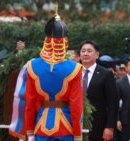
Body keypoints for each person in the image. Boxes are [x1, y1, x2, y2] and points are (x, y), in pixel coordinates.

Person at [9, 5, 84, 141]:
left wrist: (30, 132)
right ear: (65, 42)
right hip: (65, 128)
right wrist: (78, 135)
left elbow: (29, 103)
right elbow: (76, 106)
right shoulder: (75, 69)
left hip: (41, 126)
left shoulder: (33, 66)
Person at [79, 40, 118, 141]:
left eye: (89, 51)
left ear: (97, 55)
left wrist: (109, 127)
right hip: (75, 124)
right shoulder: (73, 72)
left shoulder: (106, 74)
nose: (85, 53)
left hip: (98, 126)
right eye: (83, 51)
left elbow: (112, 103)